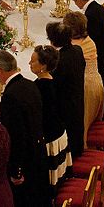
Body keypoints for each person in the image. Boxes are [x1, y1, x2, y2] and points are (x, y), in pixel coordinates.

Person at [0, 49, 47, 206]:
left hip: (26, 161)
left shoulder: (10, 97)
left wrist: (16, 170)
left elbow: (15, 137)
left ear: (0, 70)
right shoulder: (29, 84)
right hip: (38, 152)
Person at [29, 46, 72, 189]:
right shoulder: (54, 82)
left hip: (50, 139)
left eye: (33, 61)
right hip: (59, 135)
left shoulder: (38, 89)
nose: (29, 64)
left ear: (43, 65)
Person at [62, 11, 104, 143]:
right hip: (97, 82)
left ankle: (83, 149)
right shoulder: (88, 40)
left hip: (85, 88)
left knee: (83, 124)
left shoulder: (75, 47)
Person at [45, 22, 85, 158]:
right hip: (77, 99)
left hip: (65, 106)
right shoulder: (78, 51)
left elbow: (53, 84)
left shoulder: (59, 61)